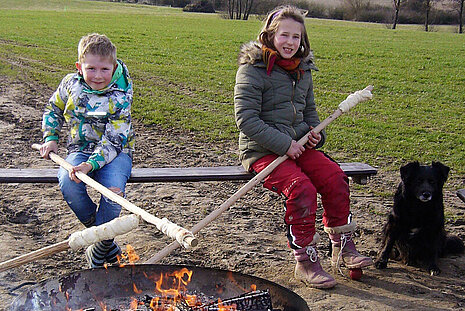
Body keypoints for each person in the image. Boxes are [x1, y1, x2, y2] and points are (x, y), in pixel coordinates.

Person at [234, 6, 372, 288]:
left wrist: (314, 136)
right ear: (270, 35)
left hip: (300, 147)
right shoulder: (252, 70)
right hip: (262, 151)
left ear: (302, 40)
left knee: (335, 177)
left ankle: (343, 246)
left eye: (296, 37)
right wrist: (285, 144)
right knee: (302, 189)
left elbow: (310, 113)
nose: (290, 42)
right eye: (284, 35)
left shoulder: (303, 69)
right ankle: (306, 261)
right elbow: (246, 120)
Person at [39, 33, 135, 268]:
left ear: (114, 67)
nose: (98, 76)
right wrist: (51, 137)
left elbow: (114, 139)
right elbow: (53, 108)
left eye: (104, 69)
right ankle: (102, 239)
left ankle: (98, 246)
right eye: (91, 68)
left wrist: (91, 165)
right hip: (79, 148)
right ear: (79, 67)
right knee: (68, 180)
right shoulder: (70, 84)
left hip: (116, 152)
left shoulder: (121, 95)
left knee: (113, 192)